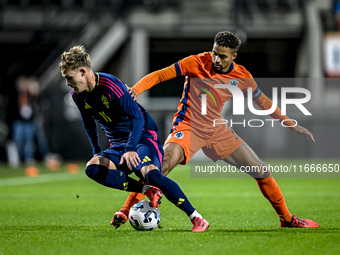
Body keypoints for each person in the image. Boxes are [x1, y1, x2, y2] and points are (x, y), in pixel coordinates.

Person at [112, 31, 319, 229]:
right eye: (214, 53)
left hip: (217, 130)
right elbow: (159, 76)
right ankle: (124, 210)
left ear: (233, 56)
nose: (216, 59)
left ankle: (287, 219)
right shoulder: (196, 62)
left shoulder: (242, 76)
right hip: (188, 126)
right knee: (160, 166)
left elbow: (262, 102)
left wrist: (289, 122)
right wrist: (136, 90)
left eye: (222, 56)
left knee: (262, 171)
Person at [58, 45, 209, 232]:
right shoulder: (78, 96)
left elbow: (137, 118)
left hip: (143, 137)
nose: (67, 83)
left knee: (152, 174)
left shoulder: (111, 86)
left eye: (69, 78)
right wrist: (97, 151)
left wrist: (130, 149)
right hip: (118, 145)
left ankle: (196, 218)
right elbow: (88, 122)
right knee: (93, 169)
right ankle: (147, 190)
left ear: (82, 72)